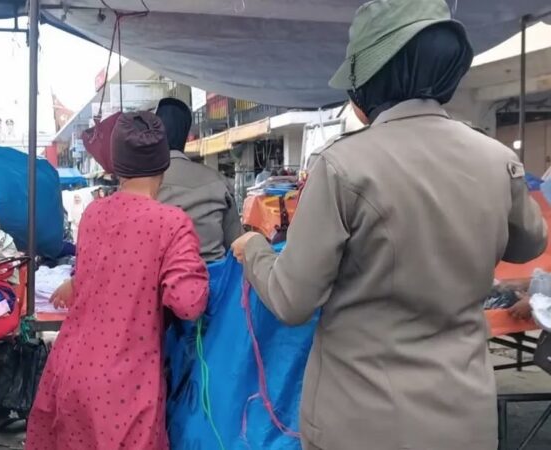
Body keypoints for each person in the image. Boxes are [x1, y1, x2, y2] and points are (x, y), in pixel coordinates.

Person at [230, 1, 548, 449]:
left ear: (367, 87)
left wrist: (254, 251)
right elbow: (528, 242)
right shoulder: (497, 159)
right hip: (464, 418)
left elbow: (291, 300)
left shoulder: (343, 166)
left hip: (361, 421)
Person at [26, 112, 209, 450]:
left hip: (70, 371)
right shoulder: (171, 223)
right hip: (125, 385)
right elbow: (188, 303)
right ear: (164, 163)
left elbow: (96, 274)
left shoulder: (94, 213)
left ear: (116, 167)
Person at [155, 97, 242, 263]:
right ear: (187, 135)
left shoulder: (146, 184)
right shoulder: (218, 181)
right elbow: (236, 243)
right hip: (215, 281)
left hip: (163, 281)